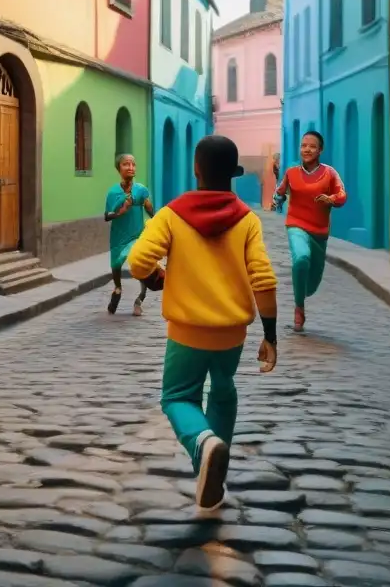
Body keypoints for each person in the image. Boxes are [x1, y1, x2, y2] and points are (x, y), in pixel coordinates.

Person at [128, 135, 278, 513]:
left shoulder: (172, 215)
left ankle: (203, 445)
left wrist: (155, 279)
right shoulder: (247, 220)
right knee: (224, 391)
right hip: (232, 335)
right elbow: (263, 279)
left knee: (178, 397)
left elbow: (138, 260)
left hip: (187, 333)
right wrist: (271, 335)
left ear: (196, 169)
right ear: (235, 173)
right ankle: (212, 475)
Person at [273, 130, 346, 332]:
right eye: (303, 145)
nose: (307, 149)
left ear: (320, 150)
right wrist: (277, 200)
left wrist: (330, 199)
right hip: (296, 224)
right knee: (301, 258)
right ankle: (299, 308)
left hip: (320, 232)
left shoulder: (329, 173)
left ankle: (303, 295)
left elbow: (342, 195)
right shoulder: (291, 173)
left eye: (312, 146)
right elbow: (280, 192)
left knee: (312, 283)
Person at [105, 154, 154, 316]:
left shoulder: (141, 190)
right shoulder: (113, 192)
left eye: (133, 164)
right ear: (119, 168)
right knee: (116, 265)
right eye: (126, 164)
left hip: (137, 235)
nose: (131, 167)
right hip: (119, 235)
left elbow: (150, 211)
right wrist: (121, 211)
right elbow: (107, 216)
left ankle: (140, 298)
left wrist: (152, 212)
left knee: (139, 264)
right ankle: (117, 288)